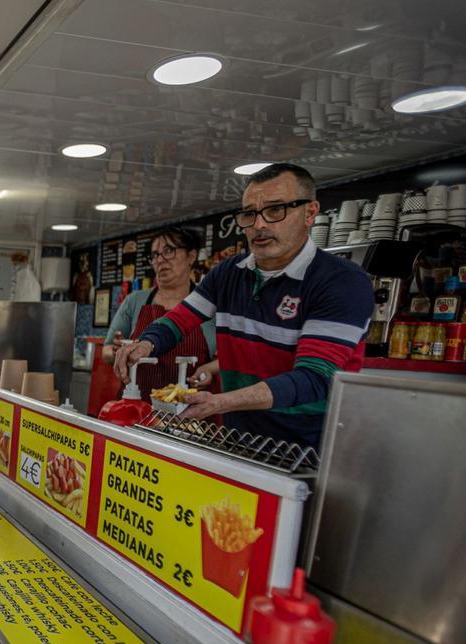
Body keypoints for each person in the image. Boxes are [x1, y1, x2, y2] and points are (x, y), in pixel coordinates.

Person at [116, 163, 374, 448]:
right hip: (239, 439)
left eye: (276, 210)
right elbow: (180, 319)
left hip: (311, 450)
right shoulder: (229, 272)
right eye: (250, 214)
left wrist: (220, 402)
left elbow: (313, 378)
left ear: (310, 213)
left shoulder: (342, 282)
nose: (260, 224)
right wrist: (145, 344)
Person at [102, 227, 219, 397]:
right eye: (155, 255)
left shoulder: (210, 305)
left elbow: (234, 357)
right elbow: (106, 351)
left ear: (191, 256)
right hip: (137, 405)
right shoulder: (134, 301)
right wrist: (118, 352)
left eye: (168, 251)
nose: (160, 260)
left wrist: (209, 368)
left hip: (192, 410)